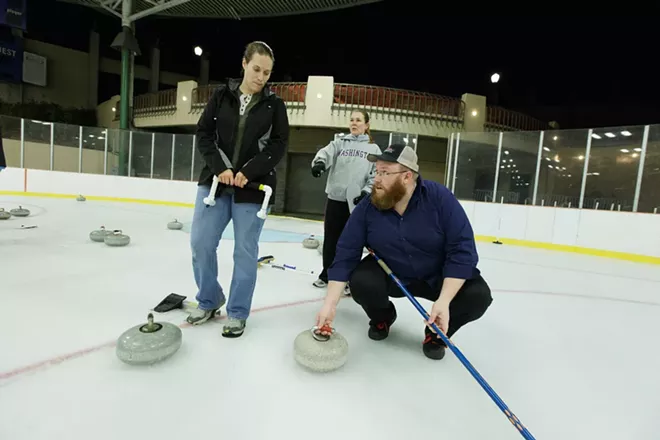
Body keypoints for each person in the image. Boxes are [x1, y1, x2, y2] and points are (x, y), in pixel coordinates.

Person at [314, 143, 493, 360]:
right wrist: (330, 305)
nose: (377, 179)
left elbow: (462, 251)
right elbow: (346, 254)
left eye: (385, 173)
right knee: (361, 280)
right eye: (377, 171)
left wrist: (444, 300)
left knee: (478, 296)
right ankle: (383, 316)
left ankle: (436, 331)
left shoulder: (440, 199)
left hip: (437, 275)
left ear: (407, 177)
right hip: (393, 272)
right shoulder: (368, 206)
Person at [187, 41, 289, 338]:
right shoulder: (221, 96)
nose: (261, 77)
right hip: (215, 183)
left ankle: (237, 312)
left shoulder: (275, 105)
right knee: (200, 243)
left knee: (245, 251)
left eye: (267, 73)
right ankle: (209, 299)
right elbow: (204, 134)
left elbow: (278, 145)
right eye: (256, 69)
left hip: (254, 189)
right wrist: (222, 168)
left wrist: (248, 172)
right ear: (244, 64)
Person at [310, 110, 380, 290]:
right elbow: (325, 153)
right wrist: (319, 163)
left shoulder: (373, 149)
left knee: (351, 243)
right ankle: (326, 275)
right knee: (331, 239)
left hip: (357, 204)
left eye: (358, 120)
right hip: (335, 199)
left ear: (366, 125)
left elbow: (376, 174)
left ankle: (348, 279)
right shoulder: (340, 143)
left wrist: (366, 192)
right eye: (352, 120)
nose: (354, 123)